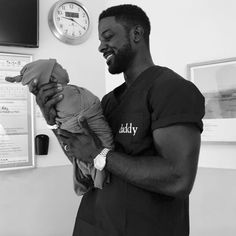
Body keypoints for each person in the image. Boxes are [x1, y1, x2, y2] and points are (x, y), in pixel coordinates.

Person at [30, 4, 205, 236]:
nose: (101, 46)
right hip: (93, 224)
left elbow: (178, 179)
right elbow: (84, 162)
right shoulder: (108, 101)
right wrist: (54, 120)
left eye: (108, 37)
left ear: (136, 34)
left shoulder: (172, 90)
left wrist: (99, 154)